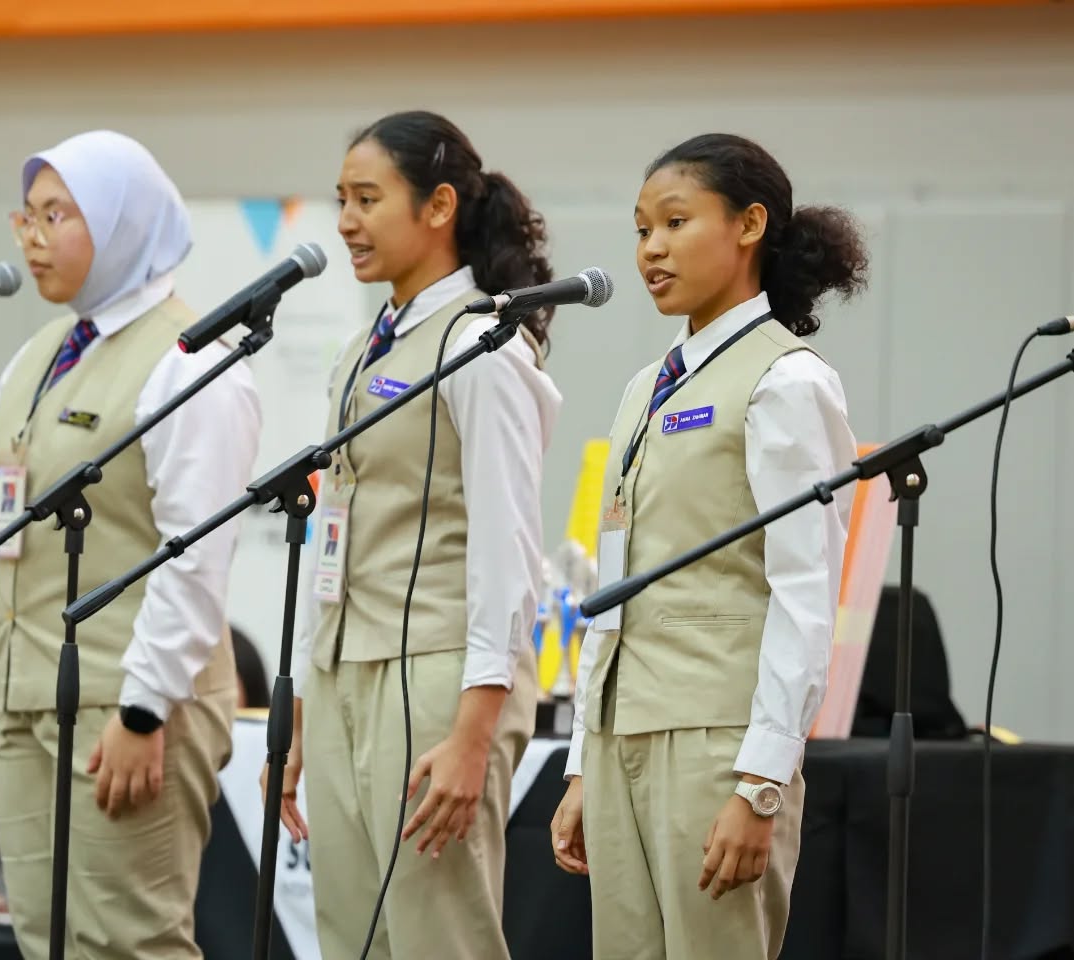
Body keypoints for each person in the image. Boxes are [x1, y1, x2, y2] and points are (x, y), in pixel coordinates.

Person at [550, 133, 865, 959]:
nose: (651, 248)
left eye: (675, 222)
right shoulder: (644, 387)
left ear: (750, 224)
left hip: (718, 742)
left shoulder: (787, 380)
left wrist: (761, 782)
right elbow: (614, 583)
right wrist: (584, 761)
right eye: (641, 229)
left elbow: (804, 595)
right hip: (622, 736)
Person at [0, 130, 261, 960]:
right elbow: (0, 534)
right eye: (28, 215)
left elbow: (195, 555)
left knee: (128, 944)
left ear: (125, 222)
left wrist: (143, 707)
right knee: (42, 941)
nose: (32, 236)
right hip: (26, 699)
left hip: (127, 706)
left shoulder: (191, 360)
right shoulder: (36, 358)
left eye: (58, 215)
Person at [264, 110, 561, 960]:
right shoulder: (362, 348)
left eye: (367, 199)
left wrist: (473, 733)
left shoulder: (482, 343)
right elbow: (338, 532)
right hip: (346, 672)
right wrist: (307, 706)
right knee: (350, 938)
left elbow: (509, 553)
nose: (346, 222)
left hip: (436, 678)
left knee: (440, 937)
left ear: (437, 207)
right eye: (340, 200)